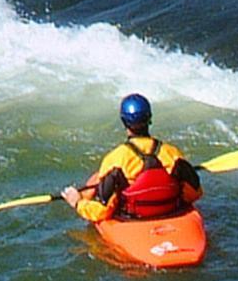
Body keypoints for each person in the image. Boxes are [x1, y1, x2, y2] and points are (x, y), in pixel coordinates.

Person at [60, 94, 203, 226]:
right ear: (150, 118)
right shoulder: (172, 154)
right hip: (170, 211)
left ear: (124, 122)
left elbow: (101, 211)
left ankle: (83, 195)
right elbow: (195, 193)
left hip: (132, 218)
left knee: (98, 179)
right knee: (97, 178)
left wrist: (77, 203)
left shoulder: (115, 159)